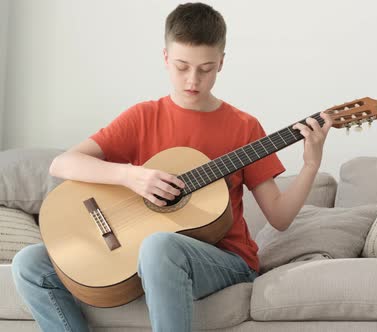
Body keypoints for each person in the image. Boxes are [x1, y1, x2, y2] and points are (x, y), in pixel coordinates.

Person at [11, 2, 332, 331]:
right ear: (165, 58)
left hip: (225, 259)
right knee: (28, 263)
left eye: (205, 68)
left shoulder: (244, 127)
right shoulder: (143, 117)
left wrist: (310, 164)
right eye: (182, 66)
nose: (193, 79)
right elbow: (63, 163)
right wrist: (132, 176)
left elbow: (279, 218)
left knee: (159, 245)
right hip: (145, 253)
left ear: (221, 62)